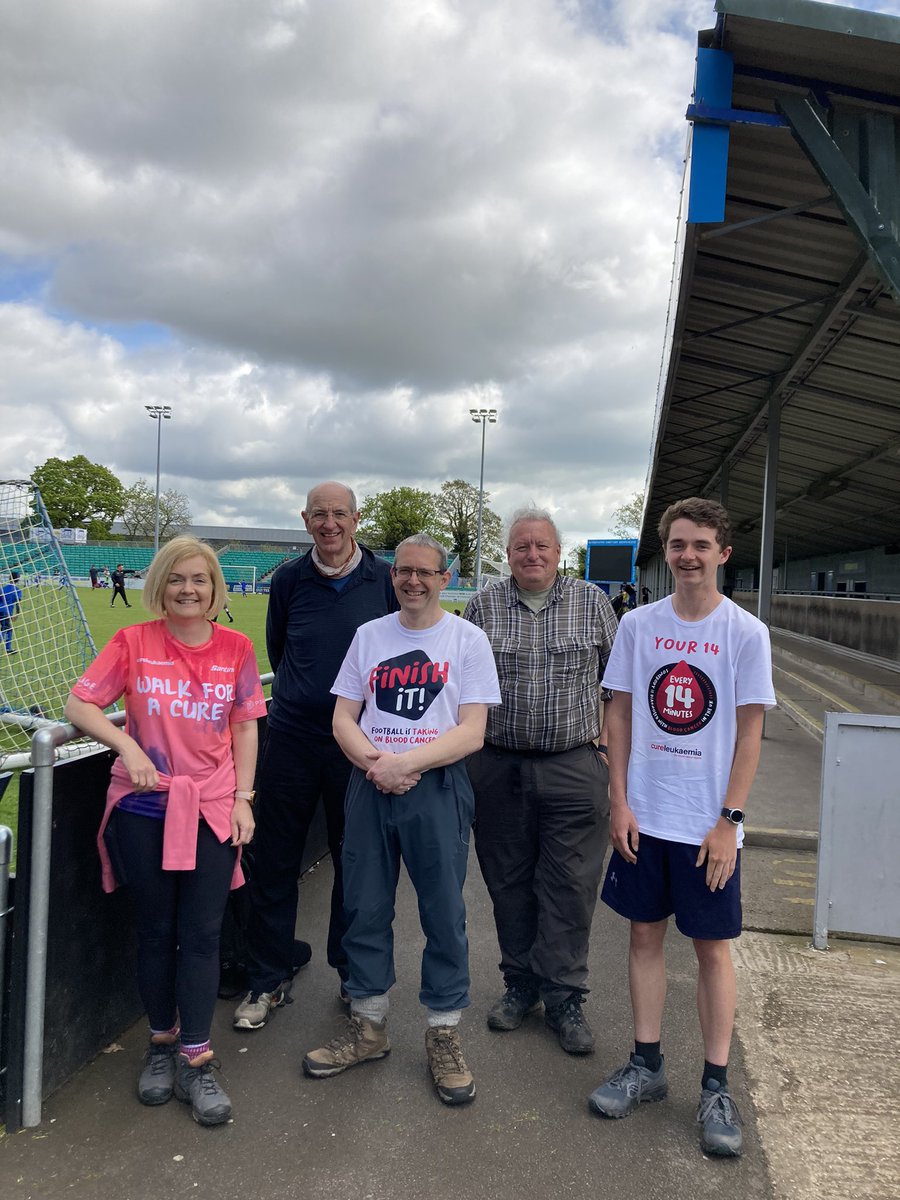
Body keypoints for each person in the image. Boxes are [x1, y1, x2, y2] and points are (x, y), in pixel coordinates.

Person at [587, 497, 775, 1157]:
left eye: (700, 545)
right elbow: (619, 715)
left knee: (711, 951)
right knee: (643, 937)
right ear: (665, 552)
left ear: (724, 552)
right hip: (646, 815)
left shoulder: (744, 634)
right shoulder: (638, 626)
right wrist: (618, 799)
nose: (688, 556)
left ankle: (716, 1085)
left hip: (707, 828)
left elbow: (750, 733)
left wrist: (729, 820)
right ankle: (646, 1065)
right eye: (677, 545)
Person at [65, 537, 266, 1127]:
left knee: (202, 934)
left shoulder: (237, 647)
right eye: (177, 579)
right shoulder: (134, 642)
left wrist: (243, 799)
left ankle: (197, 1057)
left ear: (214, 588)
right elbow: (81, 705)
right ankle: (160, 1044)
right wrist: (126, 744)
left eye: (199, 580)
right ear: (160, 585)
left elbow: (247, 729)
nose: (188, 589)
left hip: (209, 808)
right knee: (155, 931)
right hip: (143, 809)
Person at [303, 534, 500, 1104]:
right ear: (393, 579)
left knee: (443, 911)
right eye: (403, 572)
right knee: (363, 904)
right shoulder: (370, 636)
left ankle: (443, 1031)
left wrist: (405, 763)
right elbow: (343, 715)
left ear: (445, 578)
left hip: (435, 785)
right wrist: (376, 764)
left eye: (425, 572)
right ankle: (368, 1024)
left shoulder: (467, 639)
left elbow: (472, 729)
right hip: (370, 784)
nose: (413, 581)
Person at [233, 481, 398, 1031]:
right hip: (292, 739)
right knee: (274, 858)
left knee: (356, 863)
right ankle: (268, 976)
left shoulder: (384, 579)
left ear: (356, 519)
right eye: (319, 515)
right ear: (306, 521)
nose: (330, 524)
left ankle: (352, 976)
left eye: (339, 514)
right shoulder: (287, 579)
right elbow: (280, 650)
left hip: (358, 743)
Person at [464, 506, 618, 1054]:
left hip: (574, 766)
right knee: (507, 882)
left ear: (559, 552)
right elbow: (458, 685)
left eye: (542, 546)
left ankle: (564, 995)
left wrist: (607, 752)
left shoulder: (592, 603)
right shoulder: (482, 606)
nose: (532, 555)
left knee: (572, 885)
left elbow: (617, 684)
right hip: (498, 765)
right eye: (521, 546)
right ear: (507, 555)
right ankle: (520, 984)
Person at [0, 570, 22, 654]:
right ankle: (8, 649)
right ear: (18, 580)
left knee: (8, 629)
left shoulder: (3, 589)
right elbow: (18, 604)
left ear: (9, 578)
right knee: (5, 629)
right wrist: (17, 614)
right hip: (6, 612)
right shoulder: (17, 590)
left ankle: (8, 649)